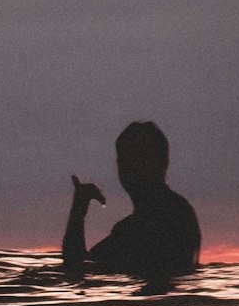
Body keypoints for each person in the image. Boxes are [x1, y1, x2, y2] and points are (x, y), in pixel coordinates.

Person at [62, 121, 200, 285]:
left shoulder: (158, 218)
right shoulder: (177, 211)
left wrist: (78, 210)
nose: (131, 166)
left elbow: (76, 268)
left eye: (141, 157)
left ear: (163, 163)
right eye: (124, 158)